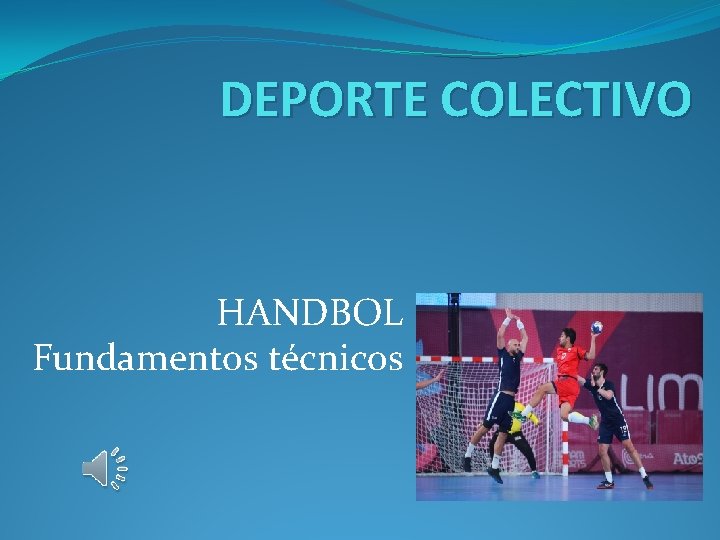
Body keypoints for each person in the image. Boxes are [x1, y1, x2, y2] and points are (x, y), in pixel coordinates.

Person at [463, 308, 527, 484]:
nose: (518, 346)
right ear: (508, 346)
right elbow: (500, 335)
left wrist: (519, 322)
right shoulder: (503, 354)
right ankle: (467, 456)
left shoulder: (518, 358)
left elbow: (526, 338)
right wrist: (508, 319)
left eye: (518, 345)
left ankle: (494, 467)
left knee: (504, 434)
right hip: (500, 397)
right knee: (485, 427)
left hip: (511, 401)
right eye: (515, 344)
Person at [578, 363, 654, 490]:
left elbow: (608, 396)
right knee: (602, 451)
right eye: (593, 369)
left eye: (596, 369)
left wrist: (596, 387)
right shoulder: (591, 384)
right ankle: (609, 481)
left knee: (629, 447)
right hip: (605, 422)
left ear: (602, 372)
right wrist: (567, 372)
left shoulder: (609, 384)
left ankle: (644, 476)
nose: (593, 371)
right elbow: (579, 379)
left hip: (618, 420)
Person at [515, 327, 599, 430]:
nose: (559, 338)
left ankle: (523, 415)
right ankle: (589, 420)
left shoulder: (576, 350)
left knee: (542, 388)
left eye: (562, 336)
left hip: (568, 382)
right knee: (564, 416)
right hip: (569, 387)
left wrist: (593, 338)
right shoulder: (559, 350)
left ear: (568, 339)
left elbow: (591, 356)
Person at [488, 402, 541, 479]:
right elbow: (492, 417)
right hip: (502, 432)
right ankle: (494, 468)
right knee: (492, 445)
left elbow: (530, 415)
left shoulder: (520, 406)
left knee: (527, 450)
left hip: (516, 433)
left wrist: (536, 421)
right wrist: (483, 424)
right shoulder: (502, 405)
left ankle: (534, 471)